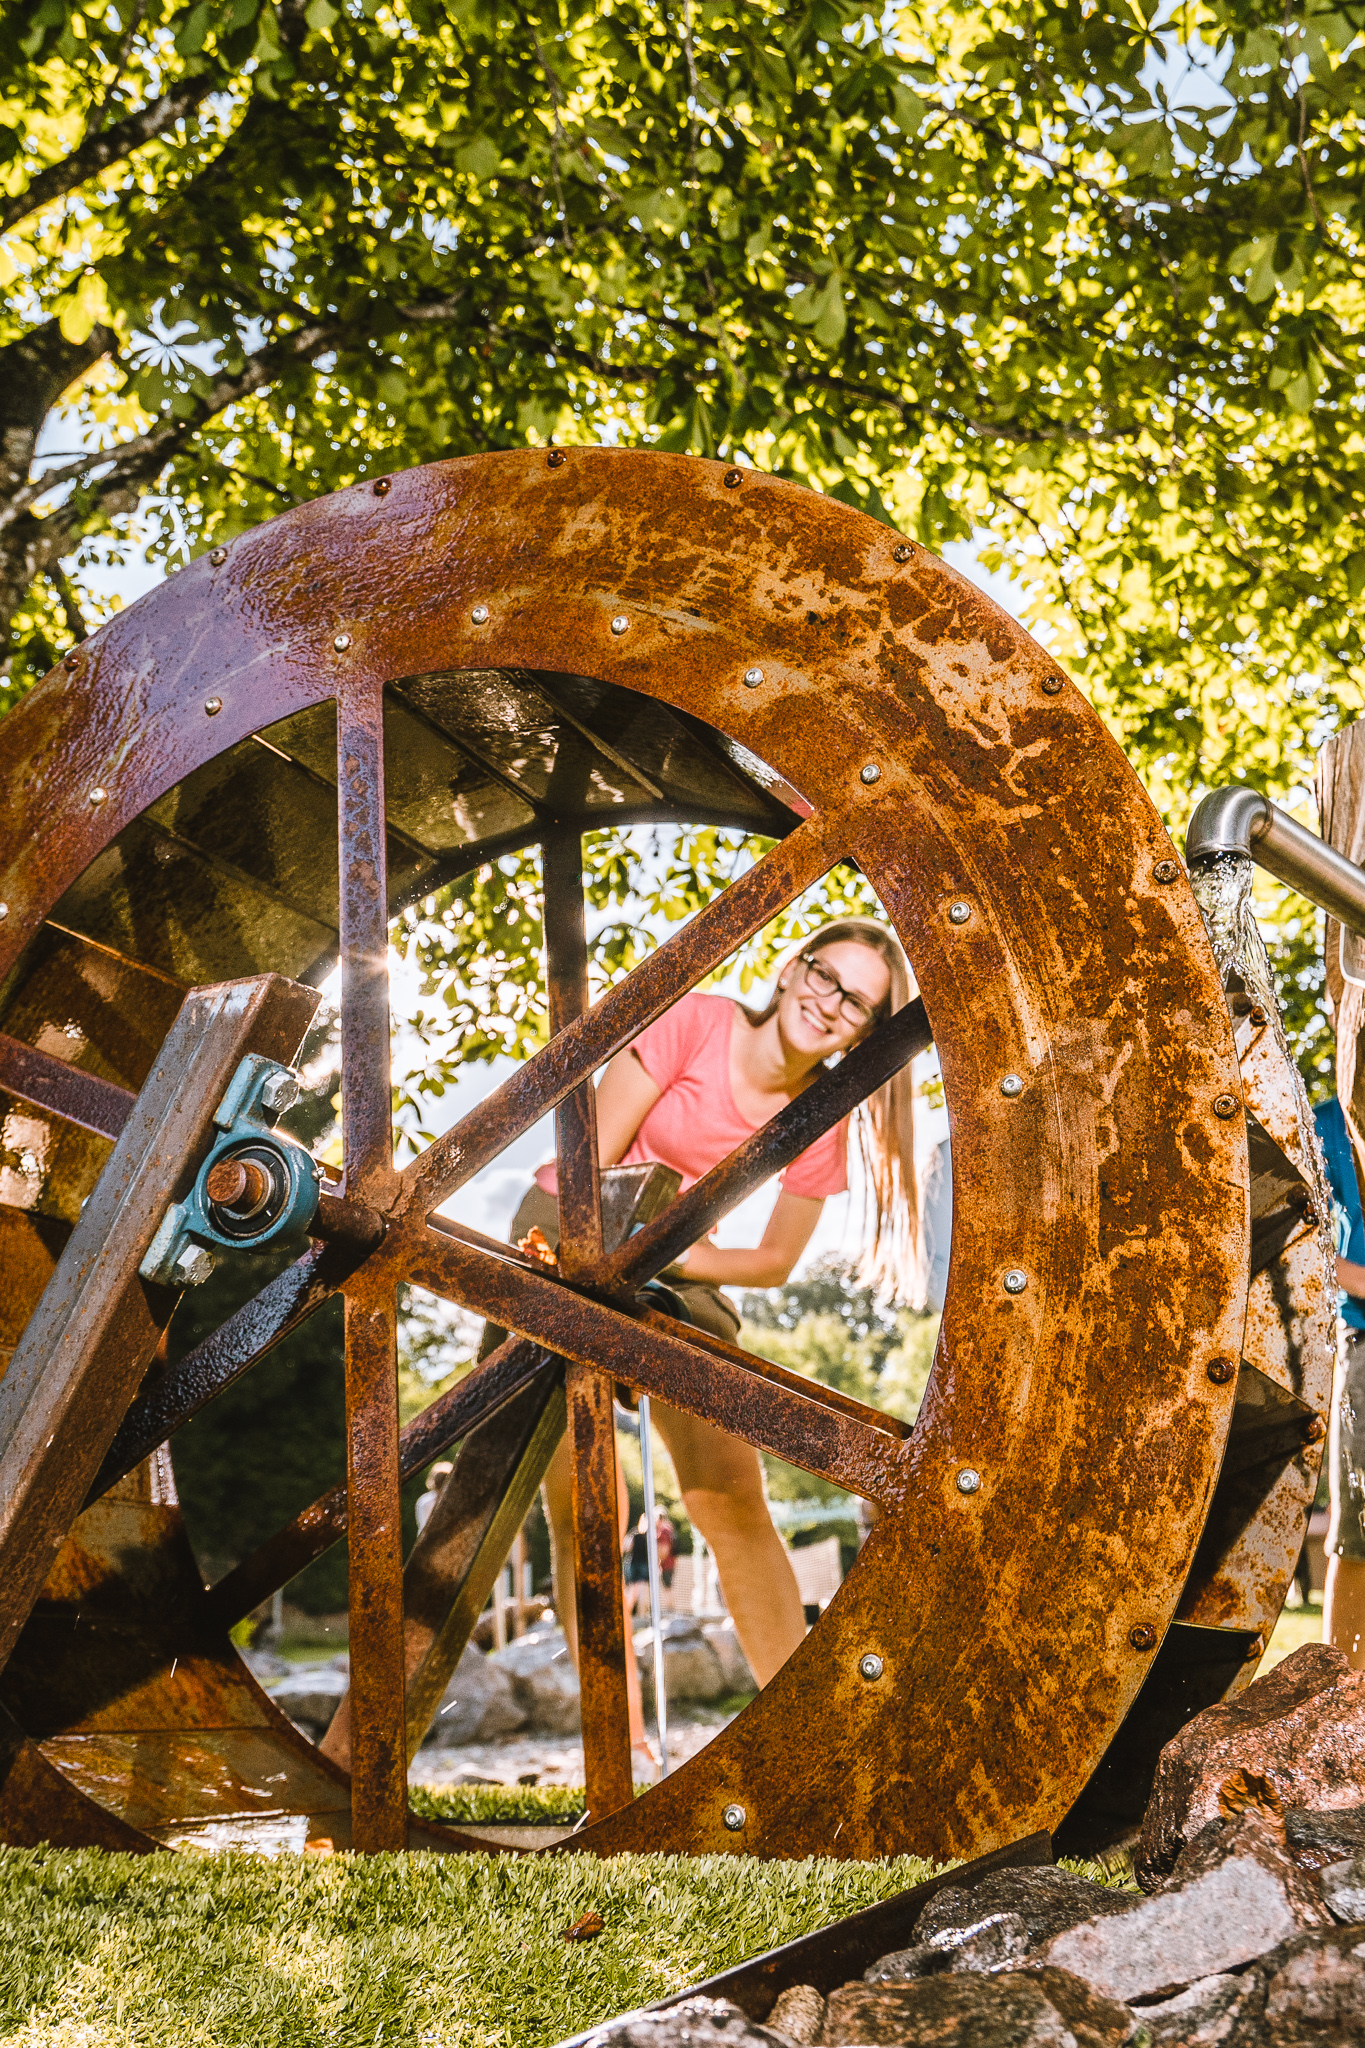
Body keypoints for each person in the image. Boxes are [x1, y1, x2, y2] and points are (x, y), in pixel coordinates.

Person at [502, 915, 920, 1769]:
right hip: (573, 1224)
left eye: (857, 1004)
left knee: (730, 1493)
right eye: (825, 975)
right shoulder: (697, 1023)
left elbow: (769, 1259)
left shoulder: (818, 1117)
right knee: (579, 1498)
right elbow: (593, 1159)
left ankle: (806, 1733)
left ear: (867, 1034)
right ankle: (613, 1746)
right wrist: (627, 1263)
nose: (829, 1003)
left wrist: (685, 1255)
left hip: (675, 1263)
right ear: (792, 968)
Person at [1316, 1094, 1365, 1668]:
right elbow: (1309, 1235)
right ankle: (1343, 1691)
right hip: (1363, 1343)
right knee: (1356, 1534)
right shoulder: (1325, 1124)